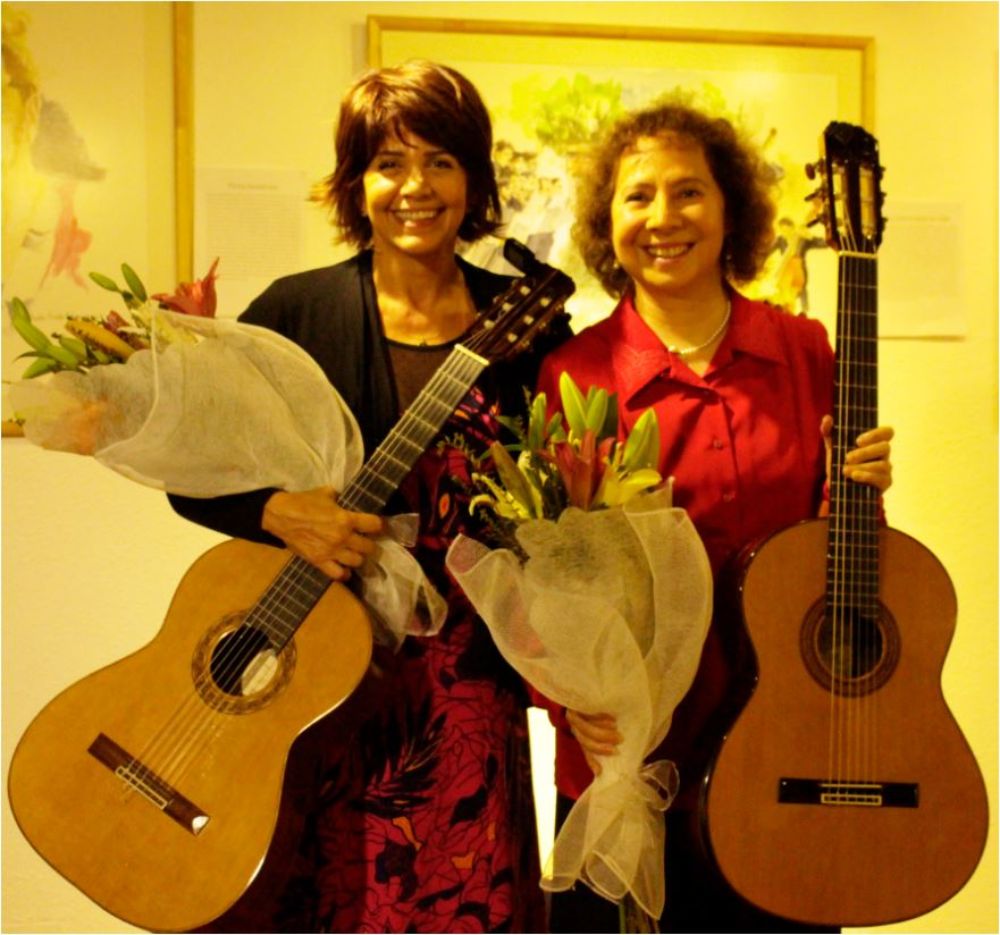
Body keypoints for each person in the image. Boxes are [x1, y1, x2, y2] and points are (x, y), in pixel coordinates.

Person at [168, 60, 568, 933]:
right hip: (313, 675)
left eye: (441, 162)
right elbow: (193, 474)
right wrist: (277, 510)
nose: (414, 187)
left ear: (473, 179)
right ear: (357, 182)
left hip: (466, 688)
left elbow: (571, 502)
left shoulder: (526, 321)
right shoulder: (296, 312)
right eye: (389, 162)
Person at [531, 101, 894, 932]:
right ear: (606, 221)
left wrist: (864, 489)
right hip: (631, 759)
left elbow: (833, 542)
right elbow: (542, 569)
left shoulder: (804, 350)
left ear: (731, 208)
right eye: (638, 197)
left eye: (689, 192)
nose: (663, 218)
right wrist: (566, 703)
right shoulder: (573, 374)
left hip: (790, 752)